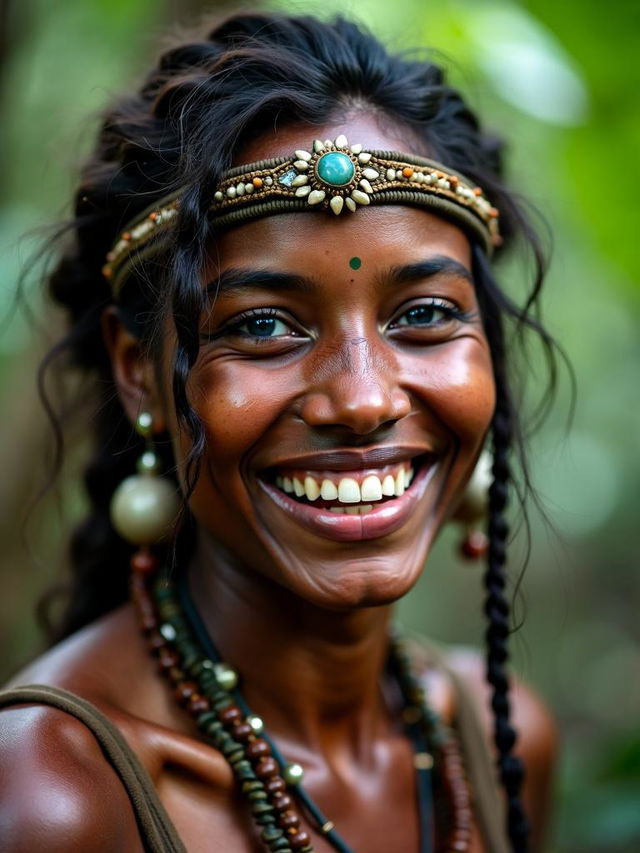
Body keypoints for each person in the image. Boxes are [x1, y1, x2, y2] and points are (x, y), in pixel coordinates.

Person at [0, 12, 557, 853]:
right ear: (139, 370)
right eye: (264, 327)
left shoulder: (497, 738)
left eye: (427, 314)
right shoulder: (54, 798)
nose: (364, 399)